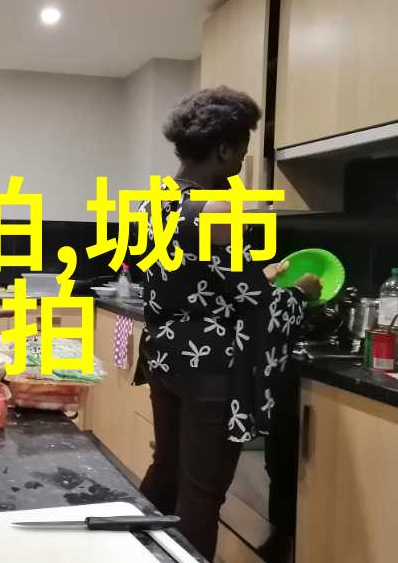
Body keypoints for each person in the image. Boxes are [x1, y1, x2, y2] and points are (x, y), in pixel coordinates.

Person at [136, 86, 321, 560]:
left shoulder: (152, 203)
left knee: (167, 470)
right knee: (202, 492)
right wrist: (300, 293)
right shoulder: (216, 209)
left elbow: (196, 279)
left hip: (164, 355)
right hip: (209, 368)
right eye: (241, 149)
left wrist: (262, 275)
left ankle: (129, 551)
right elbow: (255, 304)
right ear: (223, 149)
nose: (241, 160)